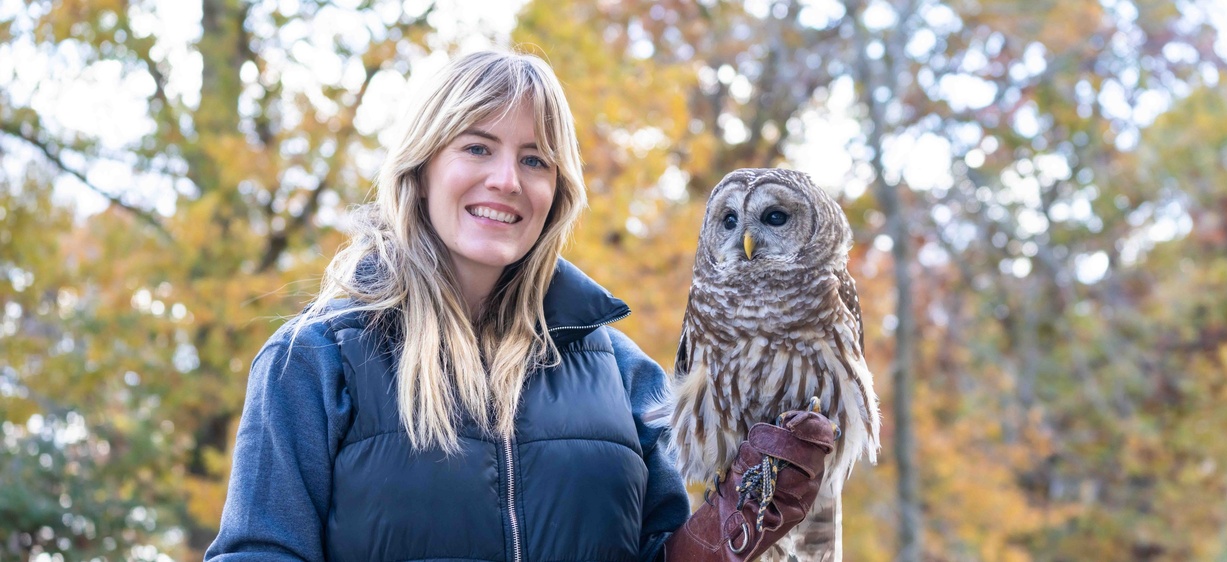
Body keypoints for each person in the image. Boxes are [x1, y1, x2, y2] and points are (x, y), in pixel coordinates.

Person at [205, 49, 835, 562]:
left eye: (534, 159)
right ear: (421, 169)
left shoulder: (622, 372)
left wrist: (717, 543)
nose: (507, 179)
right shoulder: (314, 360)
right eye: (477, 147)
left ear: (556, 192)